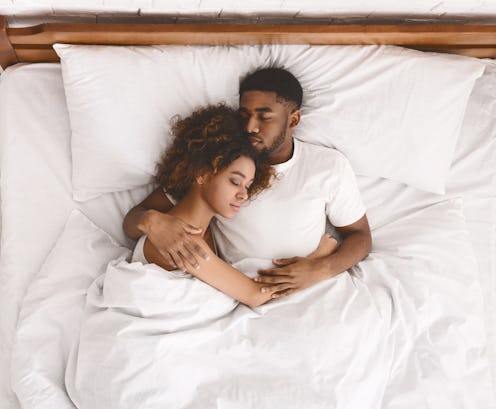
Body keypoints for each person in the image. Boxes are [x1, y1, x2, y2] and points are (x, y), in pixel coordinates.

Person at [124, 68, 371, 299]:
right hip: (238, 287)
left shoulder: (327, 166)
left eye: (264, 117)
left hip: (305, 286)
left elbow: (360, 236)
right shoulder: (220, 164)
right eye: (244, 116)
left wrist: (321, 267)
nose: (251, 127)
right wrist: (151, 221)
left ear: (293, 119)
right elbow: (136, 218)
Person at [130, 103, 339, 307]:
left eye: (248, 185)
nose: (243, 195)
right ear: (202, 174)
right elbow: (256, 295)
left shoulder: (206, 230)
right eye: (235, 182)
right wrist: (317, 258)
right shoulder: (186, 242)